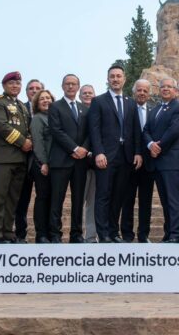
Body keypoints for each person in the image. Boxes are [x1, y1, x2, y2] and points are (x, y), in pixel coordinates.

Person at [87, 64, 143, 243]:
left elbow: (135, 131)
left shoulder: (131, 103)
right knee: (103, 195)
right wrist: (98, 152)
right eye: (112, 76)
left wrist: (138, 152)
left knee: (119, 196)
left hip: (126, 157)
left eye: (119, 76)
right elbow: (94, 130)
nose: (116, 79)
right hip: (106, 157)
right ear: (108, 79)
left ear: (124, 79)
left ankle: (113, 232)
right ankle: (103, 234)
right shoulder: (99, 101)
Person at [0, 72, 33, 243]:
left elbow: (28, 127)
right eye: (11, 83)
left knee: (13, 198)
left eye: (18, 83)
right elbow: (2, 126)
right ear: (4, 85)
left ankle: (7, 231)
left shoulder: (21, 105)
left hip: (20, 159)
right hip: (4, 158)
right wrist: (23, 142)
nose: (15, 86)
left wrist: (29, 139)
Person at [144, 77, 179, 243]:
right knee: (164, 200)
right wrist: (149, 144)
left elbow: (175, 130)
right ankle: (168, 233)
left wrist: (158, 147)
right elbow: (146, 129)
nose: (166, 89)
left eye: (169, 87)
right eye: (163, 87)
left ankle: (176, 235)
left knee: (173, 200)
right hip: (157, 162)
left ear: (175, 91)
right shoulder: (155, 110)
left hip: (173, 161)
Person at [48, 74, 92, 243]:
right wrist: (73, 148)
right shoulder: (55, 107)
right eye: (67, 84)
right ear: (62, 86)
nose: (71, 87)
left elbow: (89, 132)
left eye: (74, 84)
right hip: (61, 160)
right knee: (57, 199)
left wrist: (84, 149)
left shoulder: (85, 109)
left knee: (78, 199)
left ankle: (76, 233)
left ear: (78, 86)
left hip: (80, 162)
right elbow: (56, 131)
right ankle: (55, 234)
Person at [122, 79, 154, 242]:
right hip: (129, 162)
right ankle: (127, 234)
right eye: (139, 90)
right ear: (134, 92)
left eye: (145, 91)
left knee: (146, 201)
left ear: (149, 93)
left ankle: (143, 235)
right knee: (127, 200)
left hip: (149, 163)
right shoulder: (126, 109)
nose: (142, 93)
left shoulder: (154, 111)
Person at [15, 79, 44, 243]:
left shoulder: (49, 110)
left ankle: (41, 234)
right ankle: (20, 235)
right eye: (31, 88)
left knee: (42, 199)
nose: (34, 91)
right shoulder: (19, 108)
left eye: (38, 88)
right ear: (26, 92)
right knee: (21, 200)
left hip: (42, 162)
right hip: (22, 161)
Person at [29, 89, 55, 242]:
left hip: (55, 164)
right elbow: (37, 143)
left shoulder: (54, 117)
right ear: (37, 103)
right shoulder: (38, 118)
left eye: (48, 98)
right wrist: (44, 162)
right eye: (42, 99)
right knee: (43, 197)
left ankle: (51, 232)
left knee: (53, 198)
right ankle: (41, 233)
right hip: (42, 164)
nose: (46, 101)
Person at [79, 84, 98, 242]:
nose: (87, 95)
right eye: (84, 93)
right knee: (79, 201)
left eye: (90, 93)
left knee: (93, 203)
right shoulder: (76, 112)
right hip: (80, 163)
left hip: (97, 165)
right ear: (80, 96)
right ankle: (77, 234)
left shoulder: (99, 111)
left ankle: (91, 236)